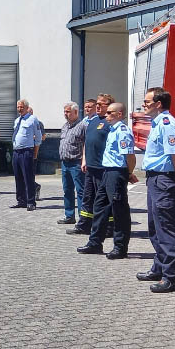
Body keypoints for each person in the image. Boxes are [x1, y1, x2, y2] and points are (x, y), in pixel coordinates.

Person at [136, 87, 175, 292]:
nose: (144, 105)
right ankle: (159, 268)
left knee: (166, 228)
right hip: (155, 179)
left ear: (159, 104)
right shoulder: (158, 123)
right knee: (155, 227)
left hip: (164, 180)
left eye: (147, 102)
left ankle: (171, 277)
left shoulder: (167, 125)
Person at [77, 102, 135, 259]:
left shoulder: (122, 131)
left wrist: (128, 173)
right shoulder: (112, 130)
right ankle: (95, 242)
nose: (107, 116)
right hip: (107, 171)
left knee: (119, 210)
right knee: (99, 206)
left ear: (119, 114)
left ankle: (120, 247)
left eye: (110, 113)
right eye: (107, 113)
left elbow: (129, 156)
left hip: (116, 172)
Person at [68, 94, 114, 235]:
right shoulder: (93, 121)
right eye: (97, 103)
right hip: (91, 167)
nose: (98, 106)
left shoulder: (110, 122)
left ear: (110, 106)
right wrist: (84, 160)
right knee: (88, 197)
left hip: (103, 168)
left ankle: (108, 227)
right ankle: (84, 225)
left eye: (102, 103)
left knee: (104, 199)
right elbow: (86, 143)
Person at [58, 101, 86, 225]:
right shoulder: (65, 126)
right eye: (64, 111)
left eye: (68, 111)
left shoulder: (82, 125)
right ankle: (69, 215)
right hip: (65, 163)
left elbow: (86, 144)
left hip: (76, 162)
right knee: (67, 190)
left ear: (75, 112)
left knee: (80, 191)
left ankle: (83, 217)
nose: (65, 114)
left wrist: (84, 161)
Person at [11, 99, 41, 211]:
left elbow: (38, 138)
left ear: (26, 107)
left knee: (28, 177)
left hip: (26, 151)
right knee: (18, 177)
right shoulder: (17, 120)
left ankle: (31, 202)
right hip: (16, 152)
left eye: (21, 107)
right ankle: (21, 200)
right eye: (18, 107)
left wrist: (35, 153)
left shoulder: (32, 119)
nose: (19, 109)